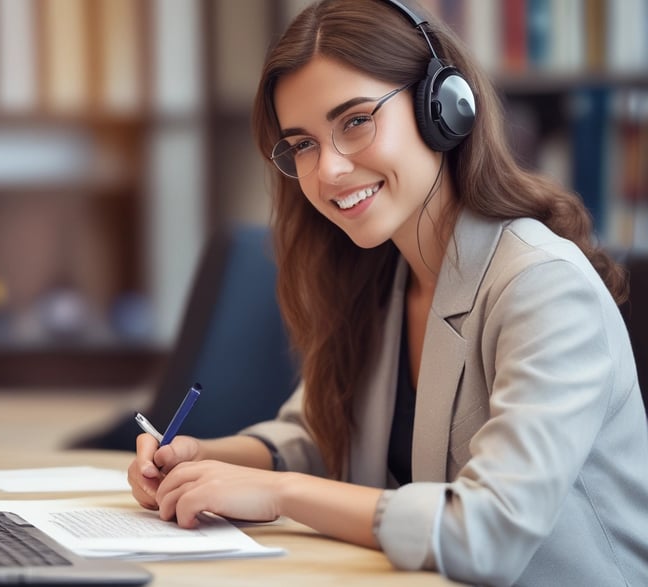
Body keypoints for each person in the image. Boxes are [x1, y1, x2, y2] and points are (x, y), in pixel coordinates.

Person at [128, 0, 648, 584]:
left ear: (442, 108)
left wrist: (278, 493)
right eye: (302, 144)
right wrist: (203, 460)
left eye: (354, 121)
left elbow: (489, 531)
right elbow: (316, 434)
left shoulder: (542, 285)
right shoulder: (379, 276)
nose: (328, 172)